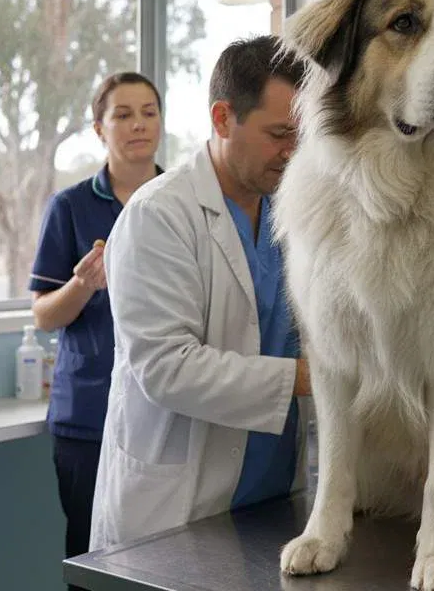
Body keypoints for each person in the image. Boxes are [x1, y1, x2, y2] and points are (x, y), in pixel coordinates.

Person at [88, 35, 311, 551]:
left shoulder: (291, 213)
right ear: (221, 118)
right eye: (279, 134)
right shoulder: (159, 215)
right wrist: (306, 378)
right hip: (174, 512)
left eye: (305, 136)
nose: (293, 152)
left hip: (272, 501)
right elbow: (167, 366)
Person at [28, 71, 165, 585]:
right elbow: (44, 315)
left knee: (163, 559)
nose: (138, 125)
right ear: (98, 129)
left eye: (149, 112)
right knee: (92, 562)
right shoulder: (70, 207)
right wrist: (84, 284)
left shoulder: (179, 202)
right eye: (123, 114)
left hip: (165, 409)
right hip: (88, 419)